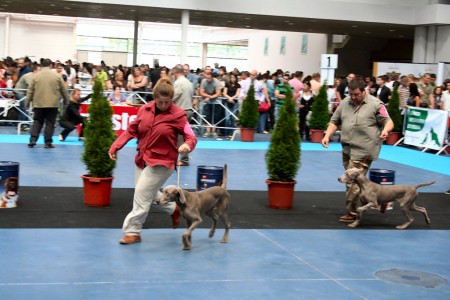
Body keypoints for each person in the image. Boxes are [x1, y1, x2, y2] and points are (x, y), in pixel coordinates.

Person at [108, 77, 197, 245]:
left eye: (167, 102)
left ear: (171, 99)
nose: (164, 105)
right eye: (160, 102)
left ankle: (132, 231)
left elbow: (190, 136)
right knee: (148, 194)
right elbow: (131, 130)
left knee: (141, 194)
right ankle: (174, 208)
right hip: (142, 158)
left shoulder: (178, 114)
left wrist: (187, 144)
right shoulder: (144, 110)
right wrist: (116, 146)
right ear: (154, 97)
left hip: (163, 163)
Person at [321, 77, 394, 223]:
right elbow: (334, 121)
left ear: (364, 91)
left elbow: (388, 121)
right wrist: (327, 135)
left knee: (352, 182)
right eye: (350, 94)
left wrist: (385, 130)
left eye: (356, 94)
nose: (353, 97)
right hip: (347, 149)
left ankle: (352, 213)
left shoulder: (375, 104)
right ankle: (383, 199)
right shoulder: (345, 103)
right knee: (360, 183)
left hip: (364, 151)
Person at [26, 58, 69, 148]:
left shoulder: (36, 76)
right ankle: (48, 142)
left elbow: (30, 91)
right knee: (50, 122)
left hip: (38, 104)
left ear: (42, 65)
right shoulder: (57, 76)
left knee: (37, 121)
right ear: (51, 65)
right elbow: (64, 90)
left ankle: (33, 140)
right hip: (52, 104)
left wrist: (27, 102)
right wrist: (66, 100)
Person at [172, 64, 194, 166]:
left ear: (175, 72)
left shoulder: (178, 83)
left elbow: (173, 97)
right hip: (188, 109)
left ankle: (183, 159)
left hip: (181, 111)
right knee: (184, 135)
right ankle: (183, 158)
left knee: (179, 137)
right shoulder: (189, 83)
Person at [199, 72, 222, 138]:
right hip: (207, 101)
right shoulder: (203, 81)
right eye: (206, 78)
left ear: (212, 78)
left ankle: (214, 131)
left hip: (216, 101)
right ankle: (208, 131)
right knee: (208, 116)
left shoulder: (216, 81)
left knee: (215, 117)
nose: (207, 79)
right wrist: (209, 96)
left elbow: (218, 93)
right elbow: (201, 92)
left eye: (208, 78)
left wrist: (210, 97)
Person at [223, 73, 241, 138]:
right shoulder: (227, 84)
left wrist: (232, 98)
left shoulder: (238, 85)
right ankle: (227, 133)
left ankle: (232, 133)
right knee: (227, 118)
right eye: (231, 77)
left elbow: (237, 93)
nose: (232, 79)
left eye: (233, 77)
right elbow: (224, 93)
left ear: (236, 78)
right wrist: (229, 98)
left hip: (234, 103)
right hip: (227, 102)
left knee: (233, 118)